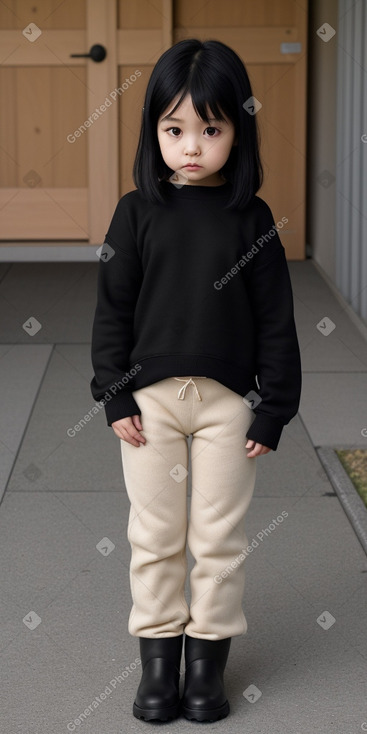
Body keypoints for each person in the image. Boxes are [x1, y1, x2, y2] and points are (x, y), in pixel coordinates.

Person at [90, 38, 302, 724]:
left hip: (227, 411)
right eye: (173, 129)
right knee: (154, 534)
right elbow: (113, 307)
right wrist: (113, 390)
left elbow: (275, 320)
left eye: (210, 130)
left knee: (216, 536)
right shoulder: (135, 212)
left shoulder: (252, 219)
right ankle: (157, 669)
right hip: (147, 407)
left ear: (237, 130)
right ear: (153, 130)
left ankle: (205, 669)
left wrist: (273, 408)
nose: (191, 146)